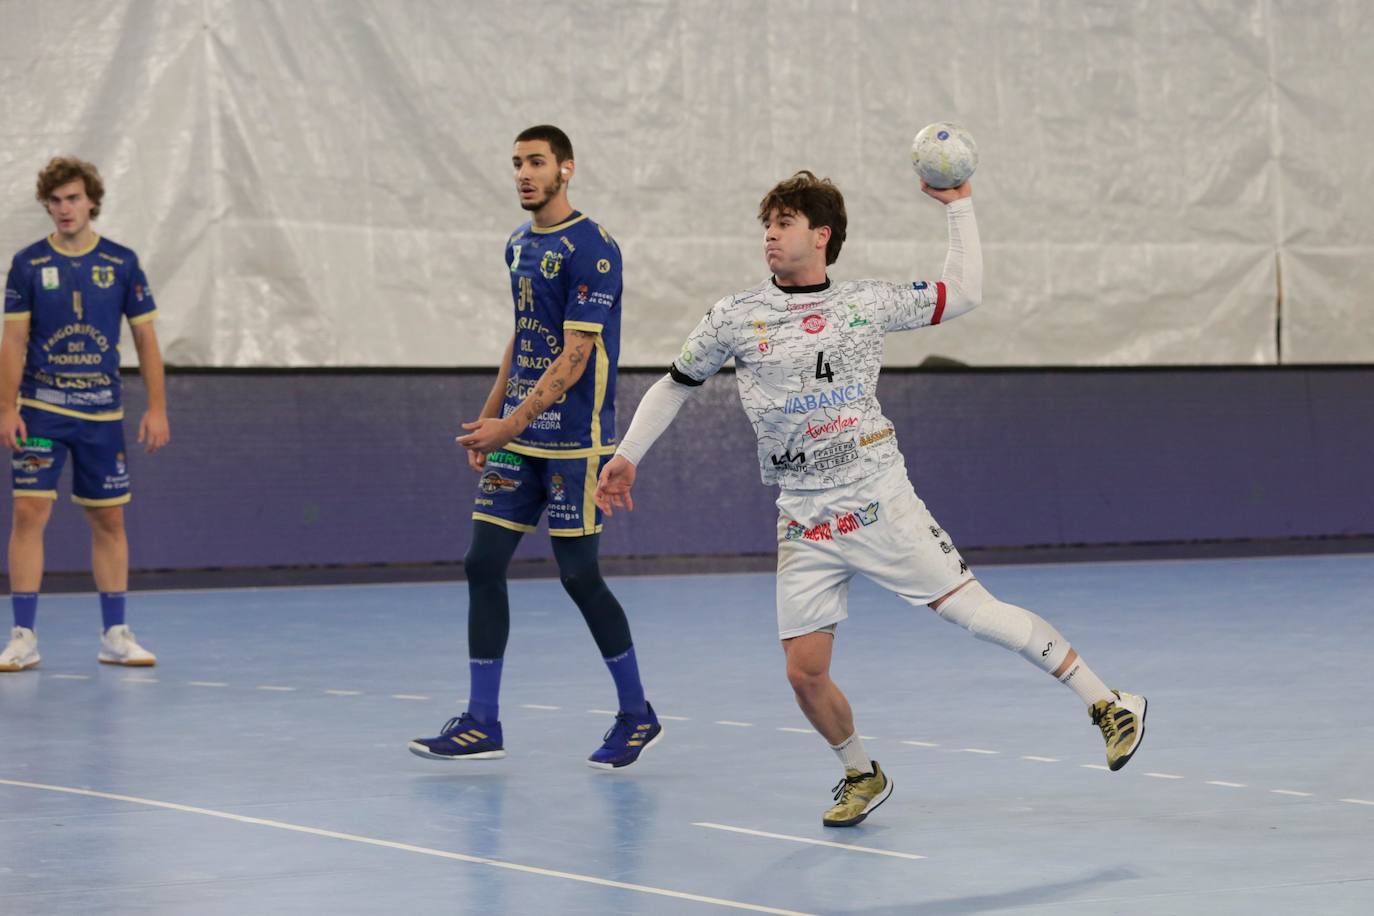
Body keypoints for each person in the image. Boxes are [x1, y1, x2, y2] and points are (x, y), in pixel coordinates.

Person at [595, 169, 1146, 825]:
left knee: (977, 615)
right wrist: (626, 456)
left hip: (878, 498)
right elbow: (675, 384)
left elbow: (965, 291)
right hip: (803, 516)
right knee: (804, 672)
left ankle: (1107, 702)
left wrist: (959, 207)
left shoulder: (867, 303)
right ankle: (863, 774)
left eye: (785, 224)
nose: (770, 236)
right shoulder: (735, 317)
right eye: (767, 225)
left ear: (822, 235)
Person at [409, 125, 661, 769]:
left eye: (537, 162)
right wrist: (490, 419)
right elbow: (524, 336)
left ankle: (638, 714)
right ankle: (481, 722)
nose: (524, 173)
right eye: (517, 162)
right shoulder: (518, 245)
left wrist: (510, 425)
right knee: (481, 563)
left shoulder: (594, 249)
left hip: (575, 443)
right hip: (517, 439)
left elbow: (576, 356)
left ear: (566, 169)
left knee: (579, 577)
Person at [0, 156, 170, 672]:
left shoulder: (121, 262)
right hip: (42, 411)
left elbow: (145, 338)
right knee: (30, 512)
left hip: (102, 414)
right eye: (54, 201)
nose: (63, 209)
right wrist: (7, 406)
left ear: (91, 200)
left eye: (72, 198)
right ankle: (22, 636)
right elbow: (13, 337)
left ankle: (115, 635)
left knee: (109, 519)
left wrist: (157, 407)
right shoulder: (28, 264)